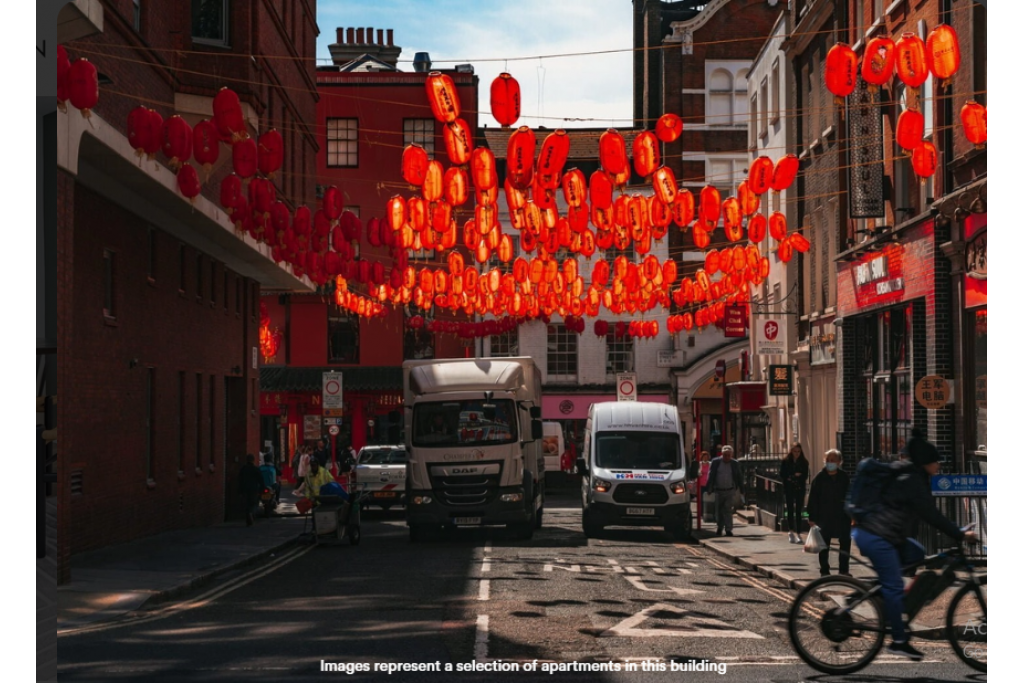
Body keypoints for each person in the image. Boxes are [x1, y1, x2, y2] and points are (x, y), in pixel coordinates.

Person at [851, 429, 979, 661]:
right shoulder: (912, 481)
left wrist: (956, 531)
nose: (938, 466)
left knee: (917, 553)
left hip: (888, 535)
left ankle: (879, 593)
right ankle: (899, 641)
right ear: (924, 463)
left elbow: (930, 514)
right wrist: (959, 534)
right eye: (934, 461)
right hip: (875, 535)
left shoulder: (913, 476)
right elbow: (931, 515)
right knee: (894, 584)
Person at [806, 449, 852, 576]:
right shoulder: (819, 478)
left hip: (842, 515)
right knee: (824, 544)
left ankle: (844, 570)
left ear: (839, 462)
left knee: (845, 543)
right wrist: (811, 516)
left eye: (833, 460)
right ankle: (824, 570)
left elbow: (850, 495)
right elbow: (813, 498)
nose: (829, 462)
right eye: (827, 460)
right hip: (824, 516)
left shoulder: (844, 477)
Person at [704, 445, 743, 537]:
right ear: (722, 454)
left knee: (727, 510)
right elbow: (711, 475)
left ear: (731, 455)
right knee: (719, 511)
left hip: (730, 490)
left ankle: (728, 529)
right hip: (718, 490)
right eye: (725, 455)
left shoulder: (735, 463)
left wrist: (742, 489)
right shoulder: (716, 462)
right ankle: (720, 527)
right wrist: (709, 488)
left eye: (729, 455)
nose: (727, 457)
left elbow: (739, 477)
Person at [781, 443, 810, 543]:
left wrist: (796, 477)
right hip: (789, 488)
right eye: (794, 451)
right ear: (791, 451)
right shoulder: (785, 461)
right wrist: (794, 475)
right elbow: (783, 474)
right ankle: (791, 531)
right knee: (790, 509)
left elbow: (805, 475)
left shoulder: (804, 462)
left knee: (798, 510)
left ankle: (798, 533)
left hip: (800, 488)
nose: (796, 454)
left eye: (798, 451)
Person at [237, 453, 264, 526]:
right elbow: (260, 479)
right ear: (253, 460)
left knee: (246, 504)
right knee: (253, 503)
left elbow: (240, 480)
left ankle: (248, 517)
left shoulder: (243, 469)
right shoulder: (255, 469)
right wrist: (262, 488)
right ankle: (251, 514)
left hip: (245, 489)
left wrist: (240, 491)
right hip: (253, 489)